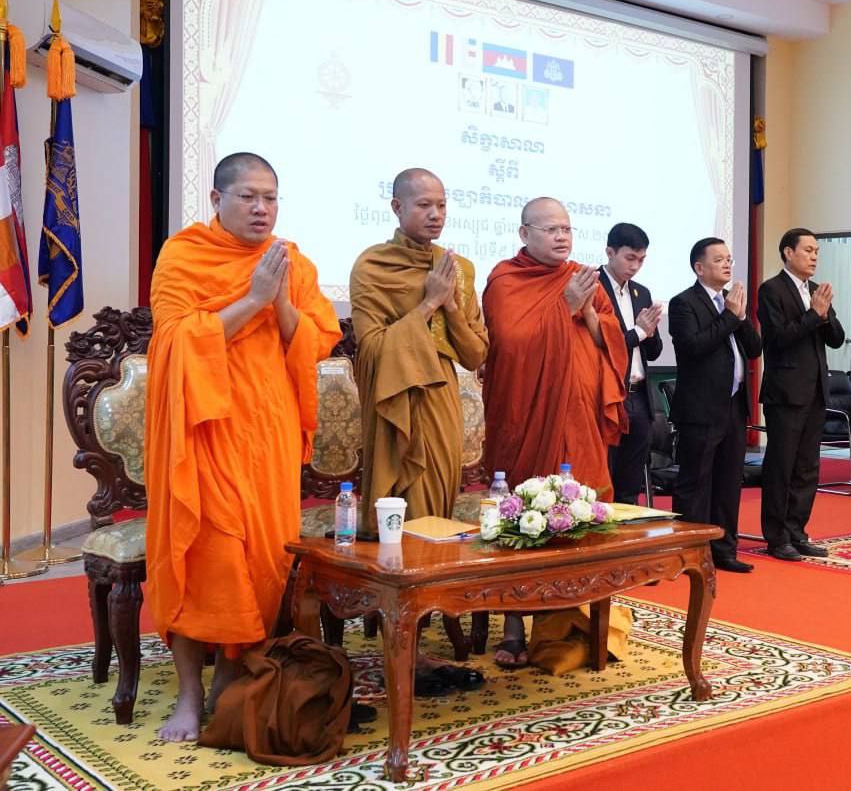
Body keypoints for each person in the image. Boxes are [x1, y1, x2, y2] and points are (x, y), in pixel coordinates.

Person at [145, 152, 341, 741]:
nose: (262, 209)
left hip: (268, 430)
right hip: (203, 431)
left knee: (260, 561)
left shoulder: (290, 261)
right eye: (248, 197)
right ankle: (187, 694)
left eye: (270, 198)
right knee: (204, 556)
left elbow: (317, 341)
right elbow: (176, 342)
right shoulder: (183, 256)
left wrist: (278, 301)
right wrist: (253, 298)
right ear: (217, 199)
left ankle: (229, 680)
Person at [482, 197, 629, 667]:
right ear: (524, 234)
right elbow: (510, 343)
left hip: (579, 419)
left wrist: (587, 312)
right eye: (551, 229)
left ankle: (579, 621)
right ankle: (513, 629)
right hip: (527, 417)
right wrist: (563, 308)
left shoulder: (583, 277)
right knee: (520, 517)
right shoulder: (506, 280)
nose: (562, 236)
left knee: (583, 513)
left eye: (566, 228)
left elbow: (612, 340)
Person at [349, 168, 488, 523]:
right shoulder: (373, 266)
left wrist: (450, 306)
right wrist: (428, 304)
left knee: (436, 503)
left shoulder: (457, 269)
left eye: (442, 205)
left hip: (440, 397)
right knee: (400, 510)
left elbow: (475, 355)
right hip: (395, 397)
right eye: (424, 205)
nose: (436, 214)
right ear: (397, 207)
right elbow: (372, 348)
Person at [668, 237, 763, 573]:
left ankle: (724, 551)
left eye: (729, 259)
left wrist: (740, 316)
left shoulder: (731, 303)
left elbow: (754, 348)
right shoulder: (683, 303)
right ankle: (689, 554)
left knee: (728, 482)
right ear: (699, 267)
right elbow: (694, 347)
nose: (727, 264)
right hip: (701, 408)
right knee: (695, 483)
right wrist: (730, 316)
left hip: (734, 407)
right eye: (719, 259)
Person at [757, 228, 845, 561]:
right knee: (782, 466)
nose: (814, 257)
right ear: (787, 252)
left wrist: (823, 314)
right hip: (785, 393)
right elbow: (778, 339)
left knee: (807, 468)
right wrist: (813, 315)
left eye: (816, 251)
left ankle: (797, 531)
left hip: (815, 391)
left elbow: (836, 338)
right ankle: (776, 537)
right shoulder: (772, 290)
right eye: (808, 250)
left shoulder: (816, 290)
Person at [599, 223, 664, 504]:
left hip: (639, 396)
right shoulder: (593, 287)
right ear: (610, 252)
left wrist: (649, 332)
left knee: (630, 482)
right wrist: (638, 332)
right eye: (630, 258)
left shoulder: (641, 293)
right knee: (603, 479)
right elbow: (602, 345)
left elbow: (654, 352)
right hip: (607, 395)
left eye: (641, 260)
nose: (635, 266)